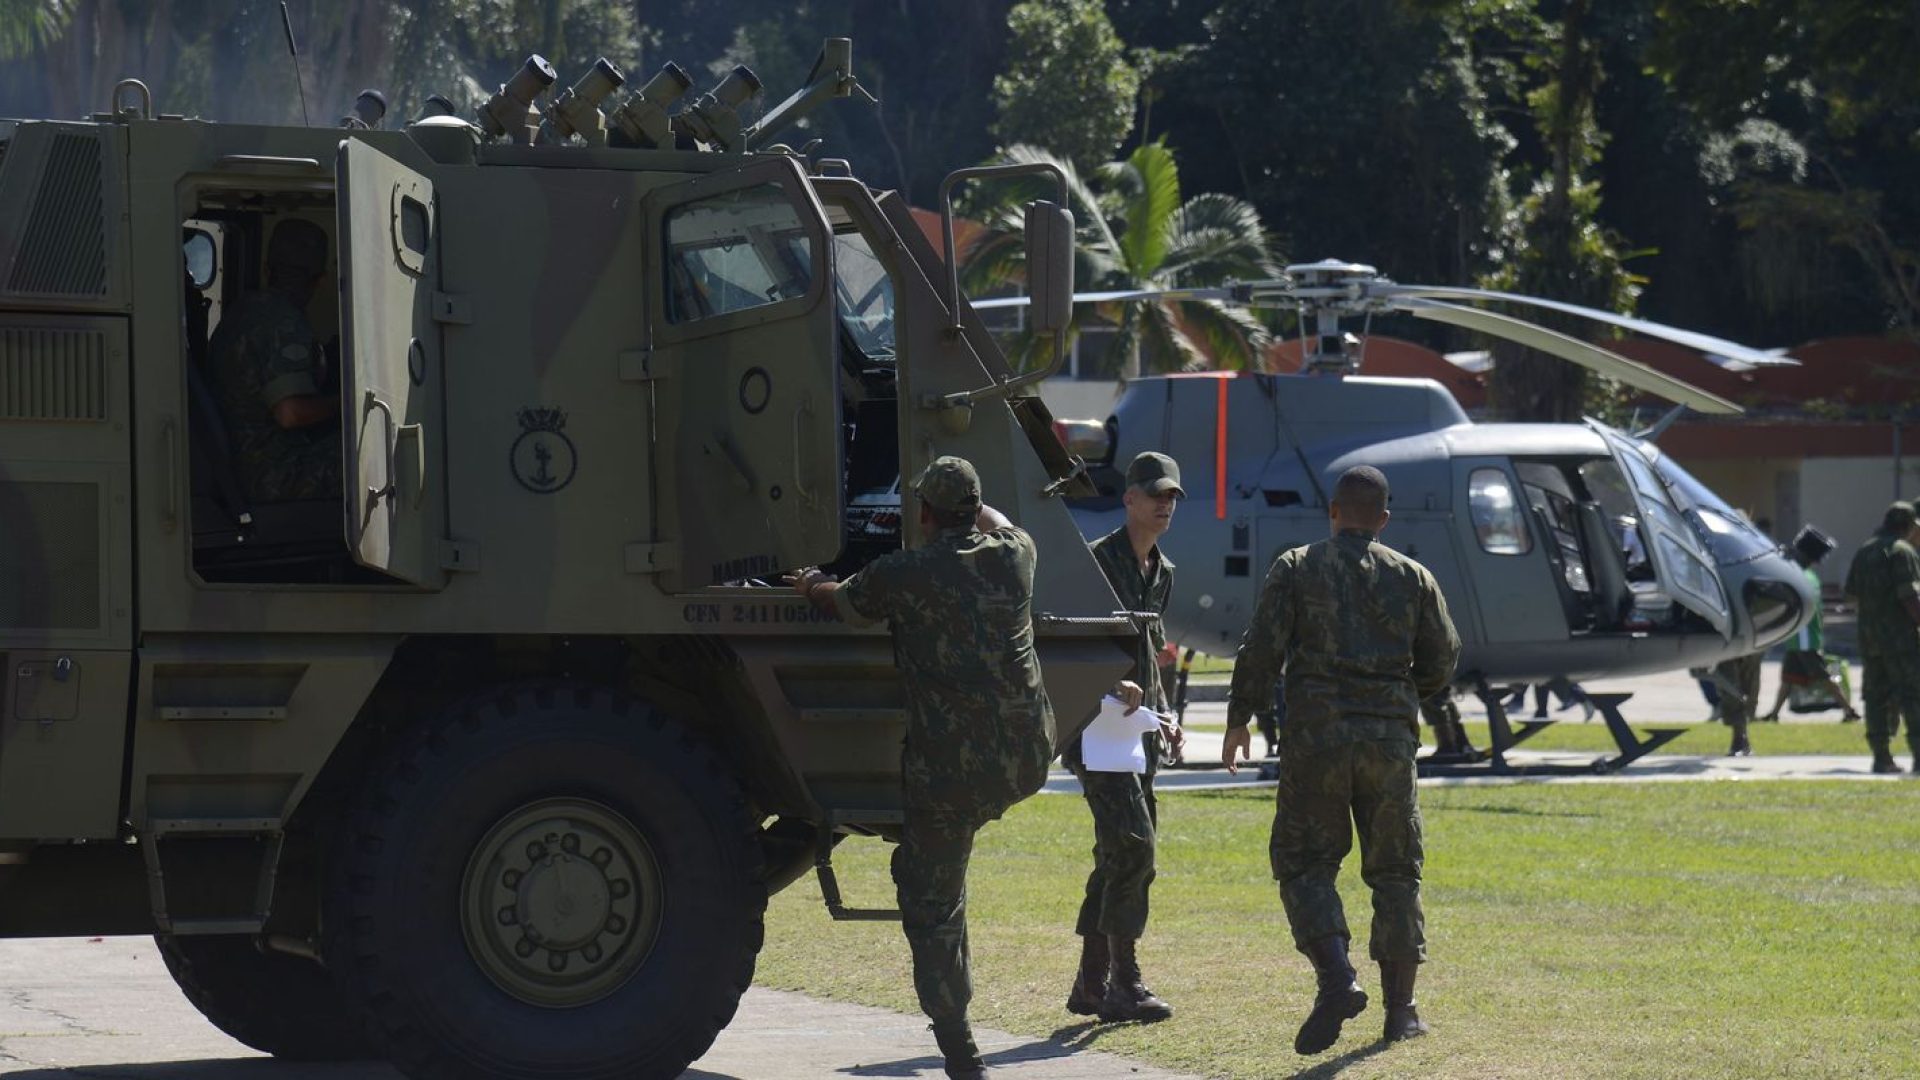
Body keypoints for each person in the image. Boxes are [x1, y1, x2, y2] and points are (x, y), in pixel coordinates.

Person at [788, 456, 1054, 1079]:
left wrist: (806, 582)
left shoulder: (906, 572)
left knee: (930, 899)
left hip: (951, 774)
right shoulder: (1016, 554)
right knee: (945, 875)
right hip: (1024, 759)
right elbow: (1003, 520)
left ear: (925, 514)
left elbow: (841, 602)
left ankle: (959, 1044)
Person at [1222, 466, 1461, 1054]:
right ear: (1383, 519)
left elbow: (1262, 647)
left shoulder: (1298, 567)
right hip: (1388, 745)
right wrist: (1400, 699)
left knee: (1304, 862)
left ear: (1332, 512)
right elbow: (1442, 658)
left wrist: (1239, 716)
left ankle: (1337, 978)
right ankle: (1400, 1011)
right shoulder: (1413, 577)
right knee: (1396, 871)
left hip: (1317, 741)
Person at [1062, 452, 1184, 1024]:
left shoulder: (1163, 571)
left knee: (1117, 853)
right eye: (1156, 494)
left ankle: (1091, 985)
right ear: (1128, 498)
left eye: (1173, 497)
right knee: (1134, 847)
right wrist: (1111, 678)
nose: (1165, 504)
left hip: (1137, 736)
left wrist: (1165, 717)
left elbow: (1150, 661)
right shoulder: (1092, 565)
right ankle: (1123, 983)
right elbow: (1063, 642)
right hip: (1094, 731)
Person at [206, 217, 342, 504]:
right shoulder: (285, 323)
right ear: (319, 280)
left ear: (267, 269)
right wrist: (343, 404)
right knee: (374, 450)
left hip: (239, 464)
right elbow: (290, 413)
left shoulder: (241, 311)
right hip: (272, 476)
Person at [1841, 500, 1920, 774]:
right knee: (1912, 696)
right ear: (1907, 526)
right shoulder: (1901, 551)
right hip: (1900, 641)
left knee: (1876, 698)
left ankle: (1881, 757)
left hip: (1870, 639)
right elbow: (1910, 597)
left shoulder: (1865, 551)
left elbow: (1850, 594)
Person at [1763, 526, 1859, 723]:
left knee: (1822, 676)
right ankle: (1774, 714)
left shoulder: (1801, 575)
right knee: (1788, 677)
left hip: (1804, 637)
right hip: (1798, 636)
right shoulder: (1808, 575)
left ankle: (1849, 711)